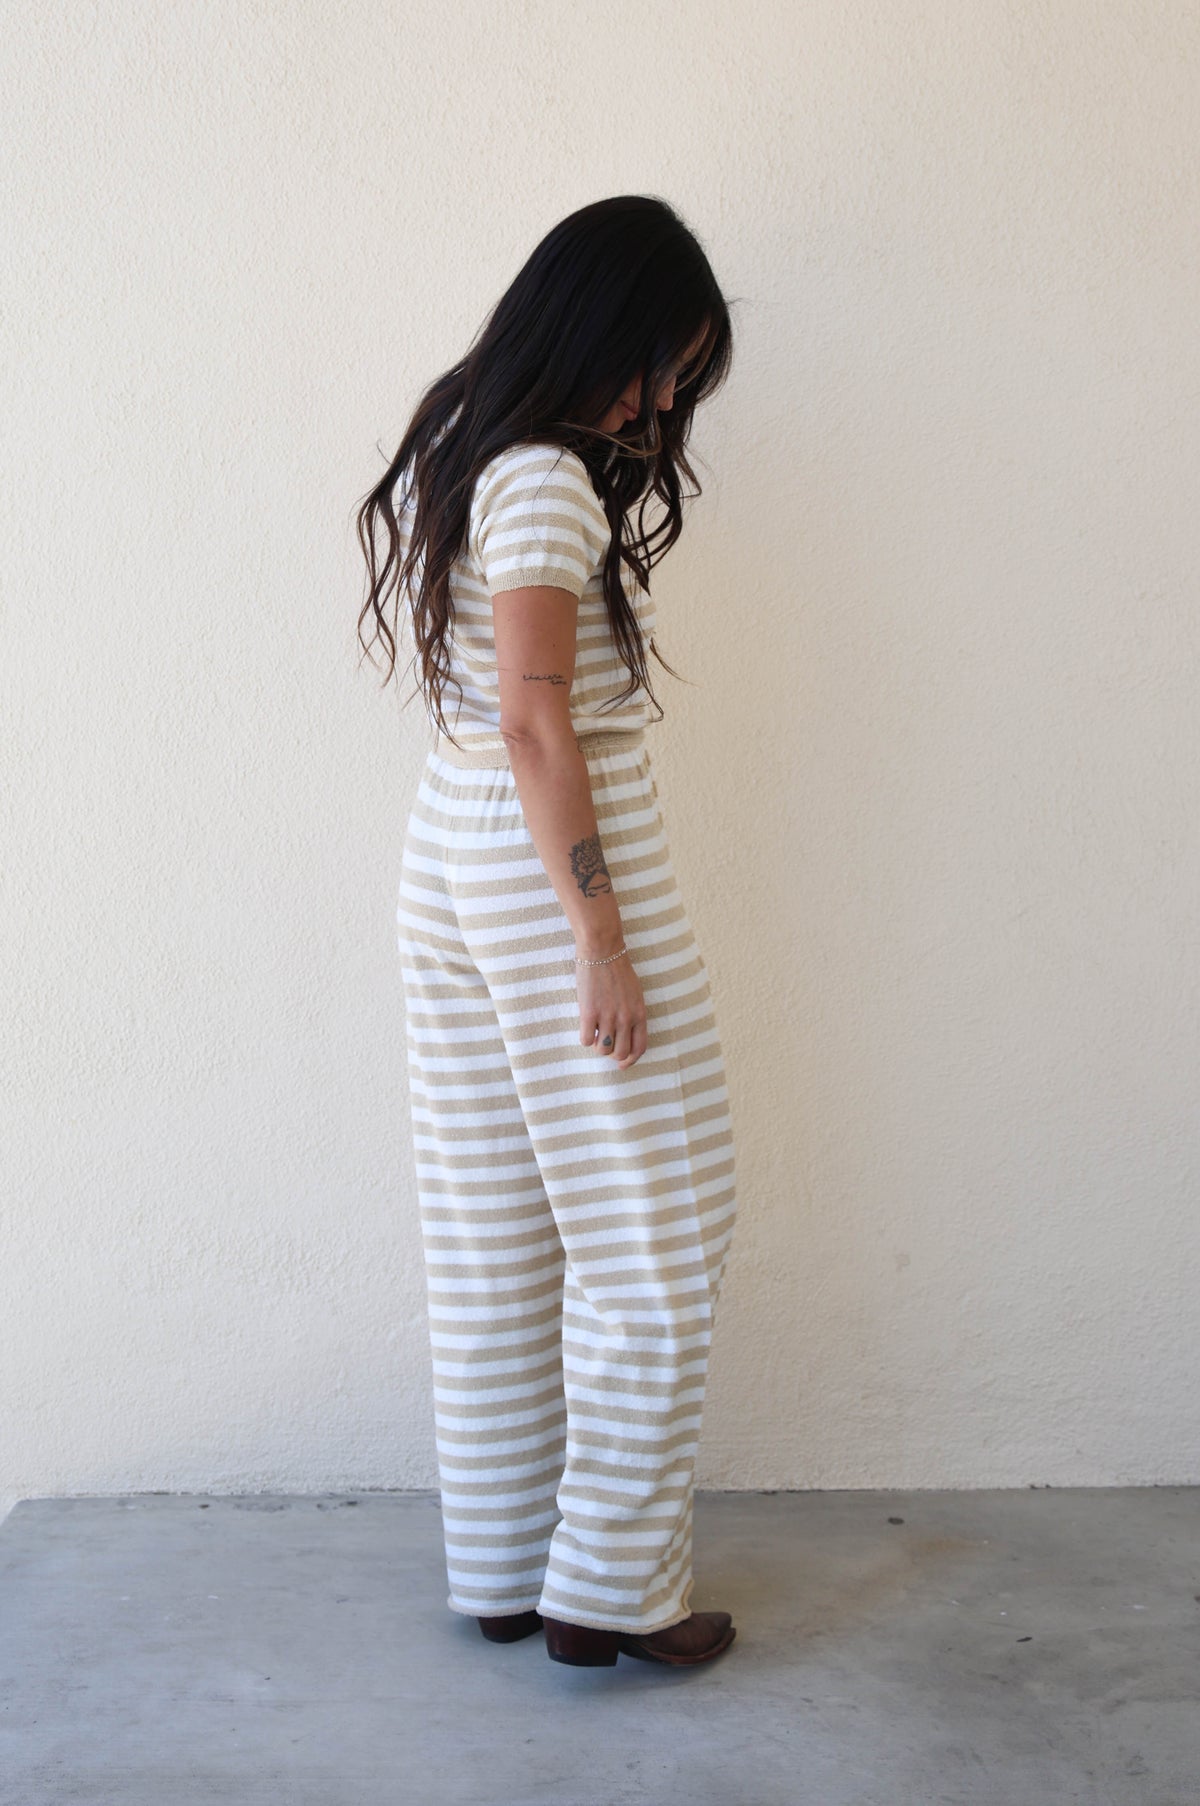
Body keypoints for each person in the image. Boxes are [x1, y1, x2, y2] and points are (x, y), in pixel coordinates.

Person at [354, 195, 740, 1669]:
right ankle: (614, 1586)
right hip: (541, 876)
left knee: (495, 1225)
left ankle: (510, 1561)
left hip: (447, 855)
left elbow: (489, 718)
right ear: (593, 325)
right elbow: (534, 716)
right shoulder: (548, 487)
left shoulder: (471, 446)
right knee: (664, 1214)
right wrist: (599, 933)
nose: (655, 401)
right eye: (653, 361)